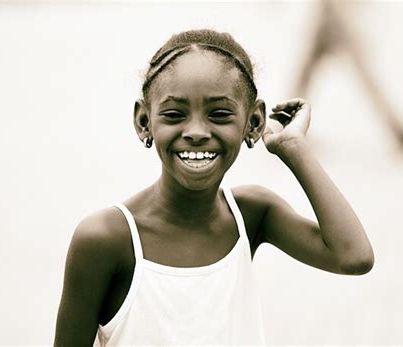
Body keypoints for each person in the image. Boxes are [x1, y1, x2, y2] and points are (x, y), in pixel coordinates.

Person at [53, 29, 374, 346]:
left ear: (254, 123)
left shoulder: (252, 214)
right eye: (174, 114)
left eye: (219, 114)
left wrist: (293, 146)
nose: (196, 131)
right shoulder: (106, 239)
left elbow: (354, 258)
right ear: (143, 121)